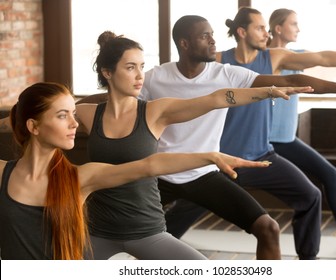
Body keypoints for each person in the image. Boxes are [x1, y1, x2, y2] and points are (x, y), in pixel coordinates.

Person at [141, 15, 336, 260]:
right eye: (205, 36)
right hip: (185, 169)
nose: (213, 40)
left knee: (283, 216)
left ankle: (309, 261)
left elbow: (301, 73)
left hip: (226, 167)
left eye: (212, 34)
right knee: (151, 235)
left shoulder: (230, 72)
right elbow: (122, 105)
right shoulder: (161, 76)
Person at [71, 31, 317, 260]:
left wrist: (270, 91)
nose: (139, 76)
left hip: (147, 231)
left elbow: (217, 98)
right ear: (107, 73)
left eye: (142, 67)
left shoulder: (155, 111)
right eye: (130, 67)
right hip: (97, 232)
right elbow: (45, 123)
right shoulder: (85, 114)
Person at [0, 82, 271, 260]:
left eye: (73, 113)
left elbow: (149, 165)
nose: (74, 123)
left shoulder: (82, 177)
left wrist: (210, 156)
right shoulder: (2, 174)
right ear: (34, 126)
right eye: (62, 116)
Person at [220, 7, 336, 251]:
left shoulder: (279, 56)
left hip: (266, 149)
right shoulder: (228, 60)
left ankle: (318, 255)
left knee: (314, 191)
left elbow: (327, 57)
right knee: (190, 206)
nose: (298, 28)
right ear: (244, 32)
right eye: (260, 27)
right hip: (238, 151)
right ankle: (154, 243)